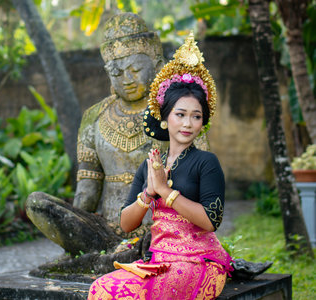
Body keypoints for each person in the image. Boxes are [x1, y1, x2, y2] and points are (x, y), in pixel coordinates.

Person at [87, 32, 233, 300]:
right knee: (101, 289)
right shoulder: (151, 166)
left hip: (199, 262)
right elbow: (126, 224)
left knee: (160, 291)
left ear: (203, 122)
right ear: (165, 118)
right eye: (180, 114)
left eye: (196, 116)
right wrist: (148, 194)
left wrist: (166, 192)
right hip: (160, 259)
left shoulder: (206, 162)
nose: (188, 124)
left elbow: (212, 222)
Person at [26, 12, 168, 256]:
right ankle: (102, 254)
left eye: (135, 69)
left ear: (157, 65)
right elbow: (88, 190)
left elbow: (195, 180)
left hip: (161, 230)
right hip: (107, 233)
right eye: (117, 73)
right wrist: (78, 227)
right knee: (38, 203)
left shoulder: (177, 113)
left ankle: (138, 253)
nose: (127, 80)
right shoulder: (94, 117)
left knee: (155, 244)